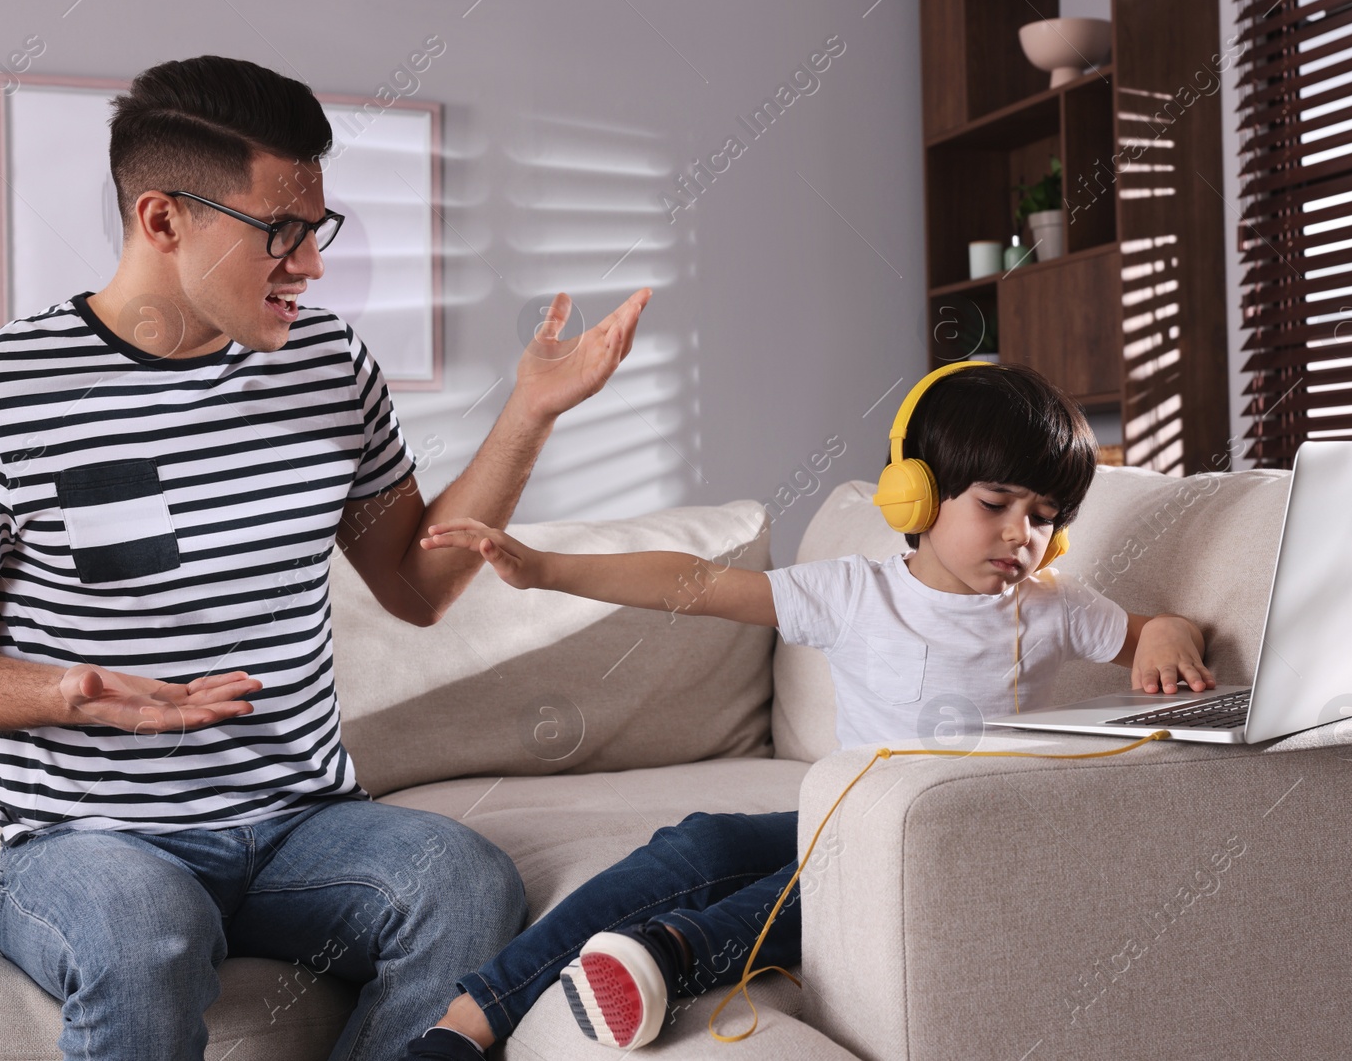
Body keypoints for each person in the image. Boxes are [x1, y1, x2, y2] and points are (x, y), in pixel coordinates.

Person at [0, 55, 650, 1060]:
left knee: (464, 881)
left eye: (318, 232)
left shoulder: (328, 365)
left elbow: (416, 583)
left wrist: (530, 410)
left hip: (303, 827)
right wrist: (73, 691)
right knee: (147, 929)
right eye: (279, 233)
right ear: (162, 219)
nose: (310, 265)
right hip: (89, 841)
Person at [401, 362, 1214, 1057]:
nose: (1022, 537)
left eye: (1043, 518)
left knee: (816, 876)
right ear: (917, 494)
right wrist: (546, 568)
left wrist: (1164, 638)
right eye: (996, 504)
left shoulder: (1053, 607)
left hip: (949, 841)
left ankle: (669, 954)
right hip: (843, 814)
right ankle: (471, 1018)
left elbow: (1154, 629)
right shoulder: (854, 594)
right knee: (702, 842)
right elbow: (694, 583)